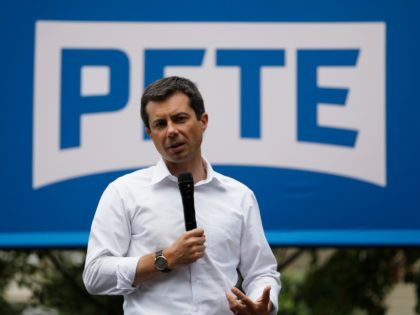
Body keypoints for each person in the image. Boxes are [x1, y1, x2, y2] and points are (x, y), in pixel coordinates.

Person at [83, 76, 281, 315]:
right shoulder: (124, 192)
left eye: (179, 119)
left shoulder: (239, 196)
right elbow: (94, 274)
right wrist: (165, 258)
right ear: (150, 132)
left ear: (203, 121)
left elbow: (262, 271)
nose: (171, 131)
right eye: (160, 124)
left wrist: (262, 303)